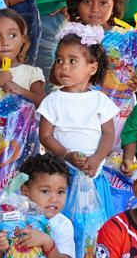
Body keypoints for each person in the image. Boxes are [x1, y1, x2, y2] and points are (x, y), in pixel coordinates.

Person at [36, 25, 117, 179]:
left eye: (72, 61)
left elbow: (109, 133)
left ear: (92, 68)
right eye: (59, 60)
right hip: (61, 173)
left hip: (93, 170)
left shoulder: (100, 100)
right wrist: (67, 155)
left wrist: (97, 158)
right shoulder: (53, 100)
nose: (64, 66)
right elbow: (45, 136)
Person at [0, 8, 46, 133]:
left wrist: (21, 91)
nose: (5, 42)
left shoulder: (31, 73)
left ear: (23, 39)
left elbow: (44, 103)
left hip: (19, 141)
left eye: (12, 35)